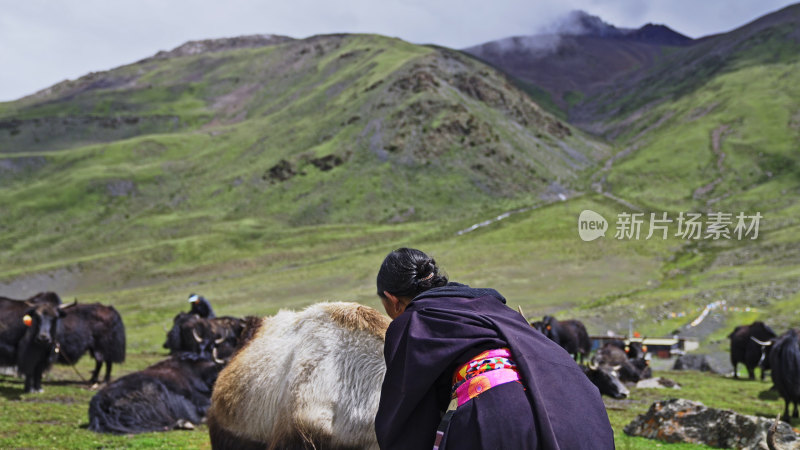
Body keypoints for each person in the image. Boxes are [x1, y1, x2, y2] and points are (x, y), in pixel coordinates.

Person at [374, 248, 615, 449]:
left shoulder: (413, 321)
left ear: (392, 299)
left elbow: (407, 410)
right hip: (582, 408)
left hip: (503, 417)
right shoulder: (497, 308)